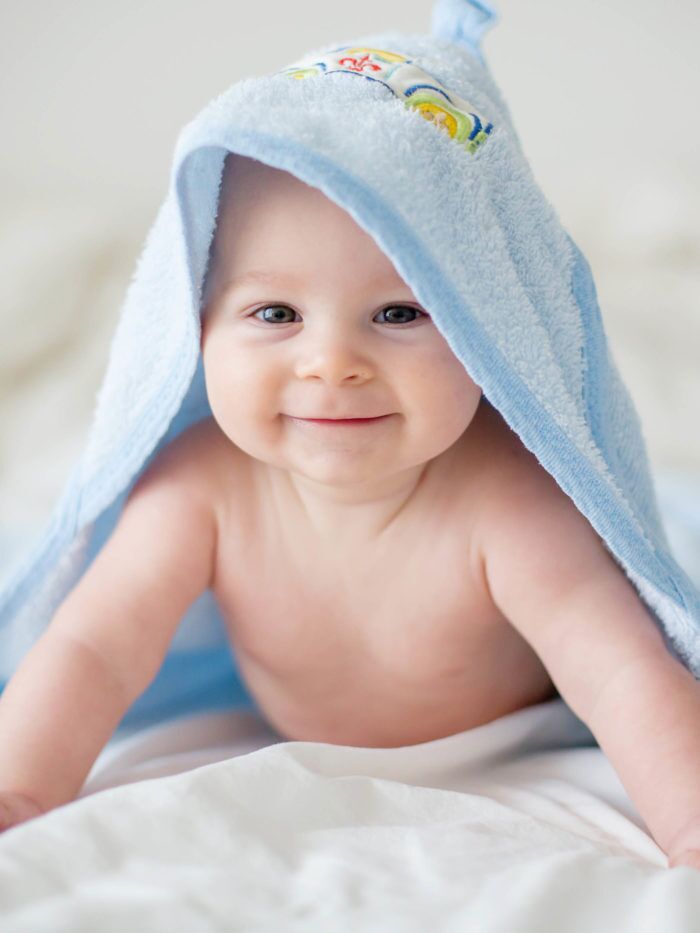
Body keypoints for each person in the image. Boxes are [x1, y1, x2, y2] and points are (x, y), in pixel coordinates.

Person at [1, 18, 699, 872]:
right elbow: (95, 647)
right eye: (275, 314)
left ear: (490, 332)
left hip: (505, 735)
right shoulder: (200, 489)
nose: (331, 364)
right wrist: (22, 789)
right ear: (192, 324)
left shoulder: (507, 501)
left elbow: (618, 674)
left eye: (400, 313)